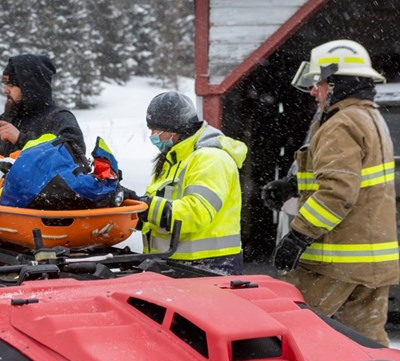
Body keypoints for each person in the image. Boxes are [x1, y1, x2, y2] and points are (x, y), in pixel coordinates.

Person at [271, 39, 398, 344]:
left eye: (320, 82)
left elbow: (338, 191)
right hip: (370, 263)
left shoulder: (340, 123)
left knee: (291, 333)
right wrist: (294, 185)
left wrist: (298, 236)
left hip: (334, 262)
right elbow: (356, 179)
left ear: (340, 84)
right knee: (366, 345)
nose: (314, 91)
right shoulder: (371, 118)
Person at [137, 92, 246, 274]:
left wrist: (146, 207)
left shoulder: (210, 159)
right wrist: (133, 214)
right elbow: (162, 215)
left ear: (173, 129)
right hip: (177, 265)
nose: (152, 136)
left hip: (207, 268)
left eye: (156, 131)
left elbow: (195, 214)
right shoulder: (174, 159)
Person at [0, 55, 84, 159]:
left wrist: (21, 139)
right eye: (5, 84)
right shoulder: (5, 119)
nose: (5, 90)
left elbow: (74, 156)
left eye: (11, 85)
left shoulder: (59, 119)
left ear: (31, 88)